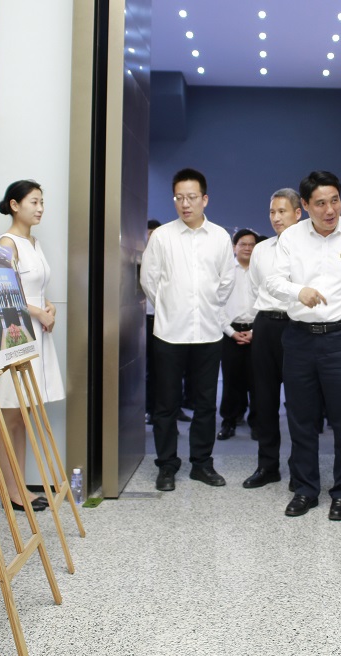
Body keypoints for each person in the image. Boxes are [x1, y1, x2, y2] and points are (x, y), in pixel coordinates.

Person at [267, 171, 341, 521]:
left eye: (334, 200)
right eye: (320, 203)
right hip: (300, 337)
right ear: (305, 205)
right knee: (301, 418)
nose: (330, 209)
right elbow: (273, 282)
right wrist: (298, 291)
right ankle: (305, 489)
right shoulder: (291, 237)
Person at [140, 168, 236, 492]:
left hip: (208, 333)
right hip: (169, 333)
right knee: (165, 405)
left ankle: (202, 464)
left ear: (204, 199)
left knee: (205, 403)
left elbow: (226, 282)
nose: (185, 204)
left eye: (192, 197)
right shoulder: (162, 237)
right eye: (179, 198)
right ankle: (167, 465)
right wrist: (171, 306)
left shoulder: (220, 237)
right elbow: (149, 280)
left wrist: (206, 307)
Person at [0, 180, 65, 512]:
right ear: (14, 204)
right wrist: (38, 312)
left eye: (42, 202)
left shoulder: (34, 242)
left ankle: (19, 486)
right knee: (10, 414)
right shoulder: (6, 243)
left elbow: (35, 289)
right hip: (15, 333)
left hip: (36, 332)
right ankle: (11, 490)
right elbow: (0, 293)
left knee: (22, 415)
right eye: (34, 202)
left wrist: (48, 307)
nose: (40, 208)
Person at [241, 189, 303, 489]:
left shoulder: (308, 247)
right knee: (264, 399)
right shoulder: (262, 250)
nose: (276, 218)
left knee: (299, 401)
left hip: (297, 325)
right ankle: (267, 466)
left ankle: (300, 469)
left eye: (282, 211)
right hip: (265, 325)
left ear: (297, 213)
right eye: (272, 212)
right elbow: (255, 287)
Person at [216, 228, 259, 440]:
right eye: (243, 244)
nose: (247, 248)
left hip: (257, 332)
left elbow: (267, 303)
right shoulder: (225, 272)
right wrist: (231, 332)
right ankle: (229, 422)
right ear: (234, 247)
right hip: (230, 333)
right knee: (231, 381)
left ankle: (257, 423)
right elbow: (217, 305)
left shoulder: (261, 272)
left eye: (252, 245)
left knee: (257, 381)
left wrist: (254, 331)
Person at [143, 219, 162, 424]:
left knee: (168, 369)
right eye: (150, 233)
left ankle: (172, 409)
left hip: (167, 319)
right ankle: (150, 409)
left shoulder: (165, 257)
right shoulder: (140, 257)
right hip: (147, 320)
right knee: (151, 368)